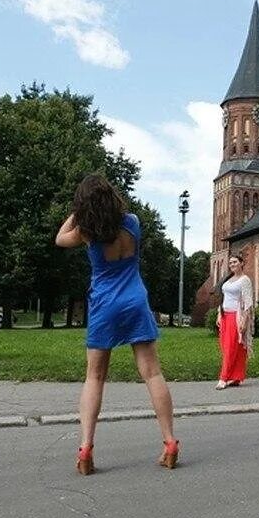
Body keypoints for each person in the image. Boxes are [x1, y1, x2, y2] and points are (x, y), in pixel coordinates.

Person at [56, 174, 178, 474]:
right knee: (152, 373)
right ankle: (170, 442)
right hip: (136, 300)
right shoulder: (133, 223)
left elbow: (60, 238)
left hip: (104, 305)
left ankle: (85, 449)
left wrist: (80, 210)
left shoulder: (87, 232)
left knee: (95, 377)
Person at [216, 254, 255, 390]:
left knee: (231, 347)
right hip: (225, 315)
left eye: (235, 262)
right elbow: (224, 297)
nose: (232, 264)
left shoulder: (245, 280)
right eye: (231, 262)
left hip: (236, 316)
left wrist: (245, 319)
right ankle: (236, 377)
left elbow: (247, 301)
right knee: (228, 347)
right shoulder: (228, 279)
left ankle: (224, 377)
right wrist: (218, 315)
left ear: (242, 263)